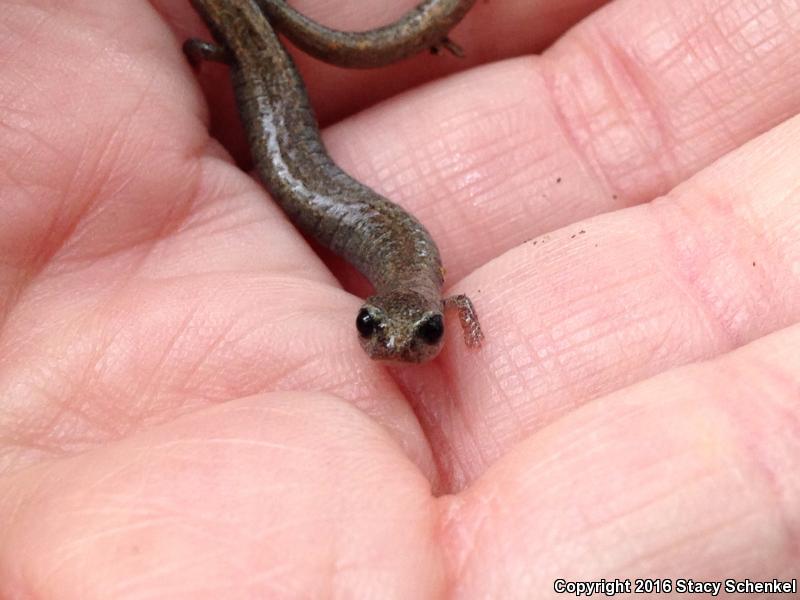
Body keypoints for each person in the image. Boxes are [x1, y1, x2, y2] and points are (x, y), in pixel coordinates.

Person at [0, 0, 796, 595]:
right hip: (290, 152)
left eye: (415, 336)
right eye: (378, 329)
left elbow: (457, 307)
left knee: (275, 122)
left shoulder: (429, 293)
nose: (393, 347)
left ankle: (252, 38)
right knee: (274, 117)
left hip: (290, 154)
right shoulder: (425, 293)